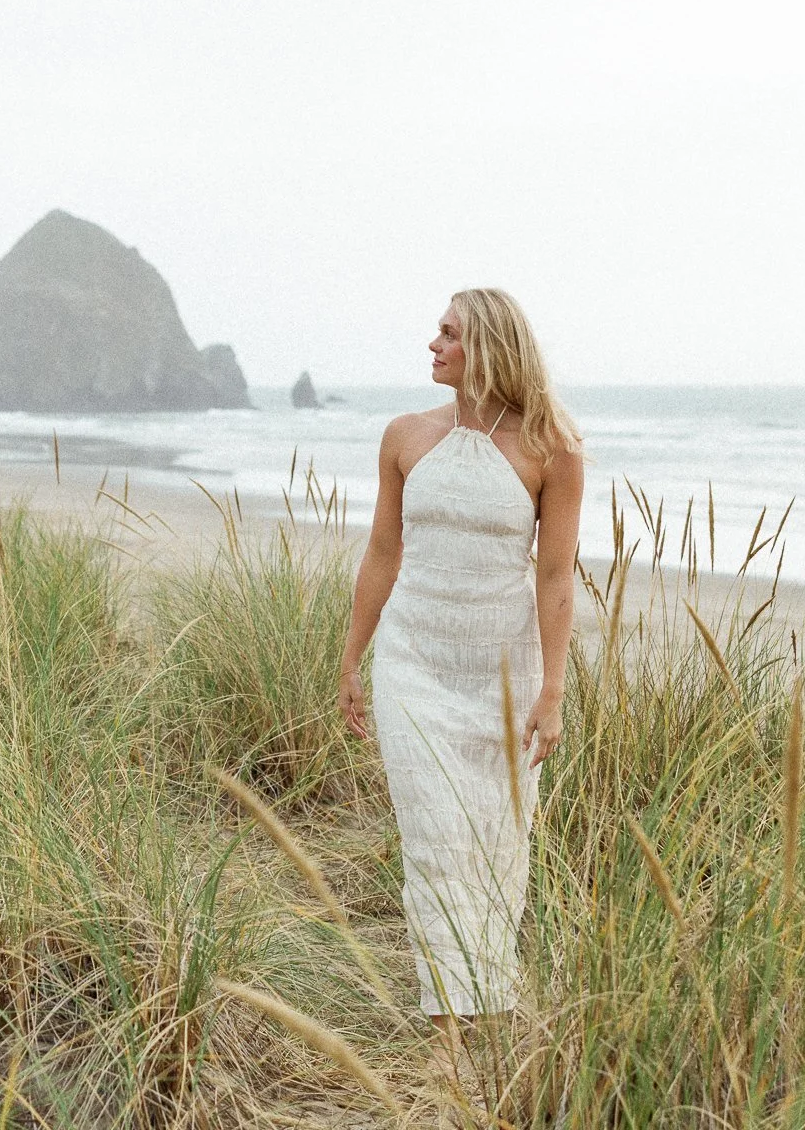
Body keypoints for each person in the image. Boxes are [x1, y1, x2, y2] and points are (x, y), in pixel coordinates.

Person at [337, 287, 584, 1044]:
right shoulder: (405, 437)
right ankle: (448, 1047)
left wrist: (552, 689)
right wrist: (352, 659)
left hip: (501, 673)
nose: (433, 343)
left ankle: (487, 1006)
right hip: (412, 660)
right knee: (434, 838)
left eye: (448, 333)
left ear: (490, 347)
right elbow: (384, 550)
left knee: (496, 843)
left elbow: (555, 576)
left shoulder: (553, 450)